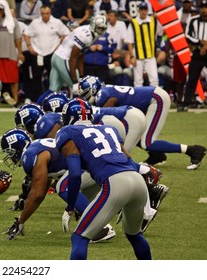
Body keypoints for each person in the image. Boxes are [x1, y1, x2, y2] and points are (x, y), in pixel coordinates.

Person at [54, 99, 152, 260]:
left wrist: (71, 206)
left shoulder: (68, 132)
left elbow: (74, 174)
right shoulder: (109, 129)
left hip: (115, 184)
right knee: (134, 235)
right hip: (137, 181)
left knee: (79, 237)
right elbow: (129, 160)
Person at [78, 75, 207, 169]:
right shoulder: (106, 90)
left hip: (156, 99)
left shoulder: (103, 95)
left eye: (85, 94)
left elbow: (109, 113)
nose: (85, 98)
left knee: (146, 142)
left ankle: (193, 150)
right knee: (137, 133)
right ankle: (157, 156)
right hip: (151, 100)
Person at [49, 15, 107, 97]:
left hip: (56, 56)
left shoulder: (87, 30)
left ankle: (38, 106)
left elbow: (80, 55)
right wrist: (75, 82)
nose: (100, 31)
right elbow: (73, 59)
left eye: (102, 29)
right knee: (79, 89)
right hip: (63, 59)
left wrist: (81, 75)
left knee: (52, 90)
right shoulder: (87, 36)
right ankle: (77, 109)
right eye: (99, 28)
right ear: (93, 25)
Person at [23, 4, 70, 102]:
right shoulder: (35, 23)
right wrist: (29, 46)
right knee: (36, 78)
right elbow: (26, 33)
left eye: (47, 13)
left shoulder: (57, 23)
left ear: (50, 13)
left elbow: (66, 33)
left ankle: (51, 99)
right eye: (43, 13)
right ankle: (34, 99)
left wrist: (59, 46)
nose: (45, 15)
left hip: (51, 54)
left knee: (52, 77)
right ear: (40, 13)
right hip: (38, 54)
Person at [0, 0, 24, 105]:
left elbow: (18, 39)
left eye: (2, 9)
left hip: (10, 53)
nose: (0, 11)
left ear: (6, 9)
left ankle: (15, 100)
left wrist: (20, 53)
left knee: (13, 79)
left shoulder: (13, 21)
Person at [125, 2, 163, 87]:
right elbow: (129, 42)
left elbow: (161, 33)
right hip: (138, 55)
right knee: (138, 80)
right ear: (138, 10)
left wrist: (159, 18)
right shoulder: (133, 23)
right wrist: (132, 57)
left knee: (154, 79)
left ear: (147, 10)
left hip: (150, 55)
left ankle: (155, 99)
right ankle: (139, 99)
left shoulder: (154, 21)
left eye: (145, 9)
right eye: (141, 9)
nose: (143, 11)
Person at [180, 0, 207, 111]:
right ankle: (186, 103)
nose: (204, 10)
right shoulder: (193, 20)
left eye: (205, 7)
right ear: (198, 8)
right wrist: (200, 42)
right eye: (202, 7)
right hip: (197, 52)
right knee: (192, 79)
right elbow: (187, 36)